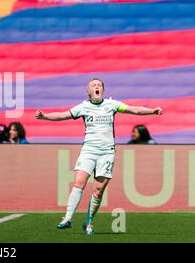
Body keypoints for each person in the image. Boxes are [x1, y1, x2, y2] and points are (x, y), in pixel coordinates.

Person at [35, 78, 163, 235]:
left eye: (99, 85)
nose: (96, 87)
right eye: (93, 85)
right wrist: (45, 116)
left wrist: (152, 111)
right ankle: (67, 218)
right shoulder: (83, 107)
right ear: (88, 91)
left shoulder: (112, 105)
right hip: (88, 150)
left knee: (98, 190)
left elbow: (134, 109)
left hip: (107, 152)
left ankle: (88, 222)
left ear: (103, 90)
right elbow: (63, 115)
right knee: (78, 182)